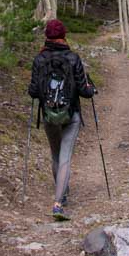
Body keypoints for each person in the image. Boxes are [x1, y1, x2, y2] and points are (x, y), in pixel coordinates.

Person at [27, 18, 96, 221]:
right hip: (71, 114)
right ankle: (58, 202)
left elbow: (33, 91)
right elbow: (84, 91)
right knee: (65, 157)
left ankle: (62, 193)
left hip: (49, 114)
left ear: (47, 36)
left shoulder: (39, 60)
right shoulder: (73, 58)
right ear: (64, 35)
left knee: (55, 154)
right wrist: (92, 89)